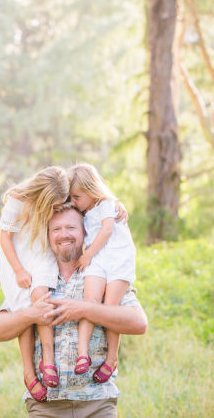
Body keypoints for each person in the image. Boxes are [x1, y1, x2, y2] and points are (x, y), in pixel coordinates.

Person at [0, 203, 147, 417]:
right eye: (56, 229)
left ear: (85, 232)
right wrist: (33, 314)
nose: (63, 234)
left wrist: (85, 309)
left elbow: (139, 323)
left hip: (98, 404)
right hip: (45, 407)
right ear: (47, 235)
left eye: (71, 228)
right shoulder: (35, 278)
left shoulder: (102, 275)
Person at [0, 166, 70, 402]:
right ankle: (28, 372)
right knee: (26, 310)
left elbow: (89, 197)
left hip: (42, 251)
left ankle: (48, 359)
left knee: (41, 295)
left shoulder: (62, 191)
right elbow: (4, 238)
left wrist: (116, 207)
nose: (56, 209)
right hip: (18, 255)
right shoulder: (17, 200)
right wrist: (19, 270)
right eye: (53, 206)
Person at [67, 163, 137, 384]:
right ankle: (82, 354)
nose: (74, 201)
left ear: (91, 190)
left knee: (110, 307)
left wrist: (87, 255)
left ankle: (111, 358)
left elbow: (107, 229)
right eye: (71, 197)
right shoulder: (82, 212)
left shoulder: (107, 204)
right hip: (98, 260)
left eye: (77, 197)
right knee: (90, 302)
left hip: (118, 259)